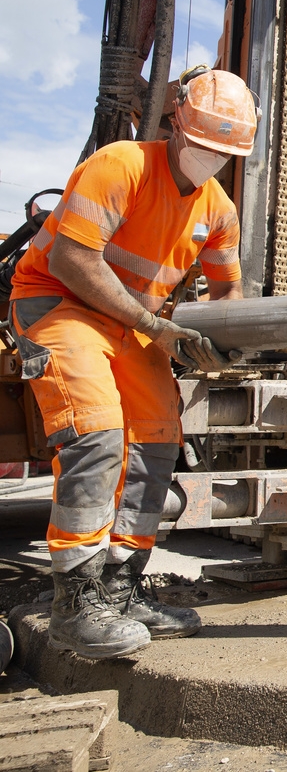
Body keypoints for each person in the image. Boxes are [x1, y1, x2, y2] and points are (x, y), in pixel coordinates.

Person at [8, 66, 257, 659]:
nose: (211, 158)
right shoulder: (121, 165)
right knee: (98, 435)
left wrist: (223, 341)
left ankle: (120, 590)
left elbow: (228, 293)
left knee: (154, 444)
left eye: (224, 153)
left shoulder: (218, 211)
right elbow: (72, 259)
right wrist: (155, 326)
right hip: (57, 303)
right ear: (176, 125)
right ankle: (77, 604)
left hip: (132, 325)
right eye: (203, 145)